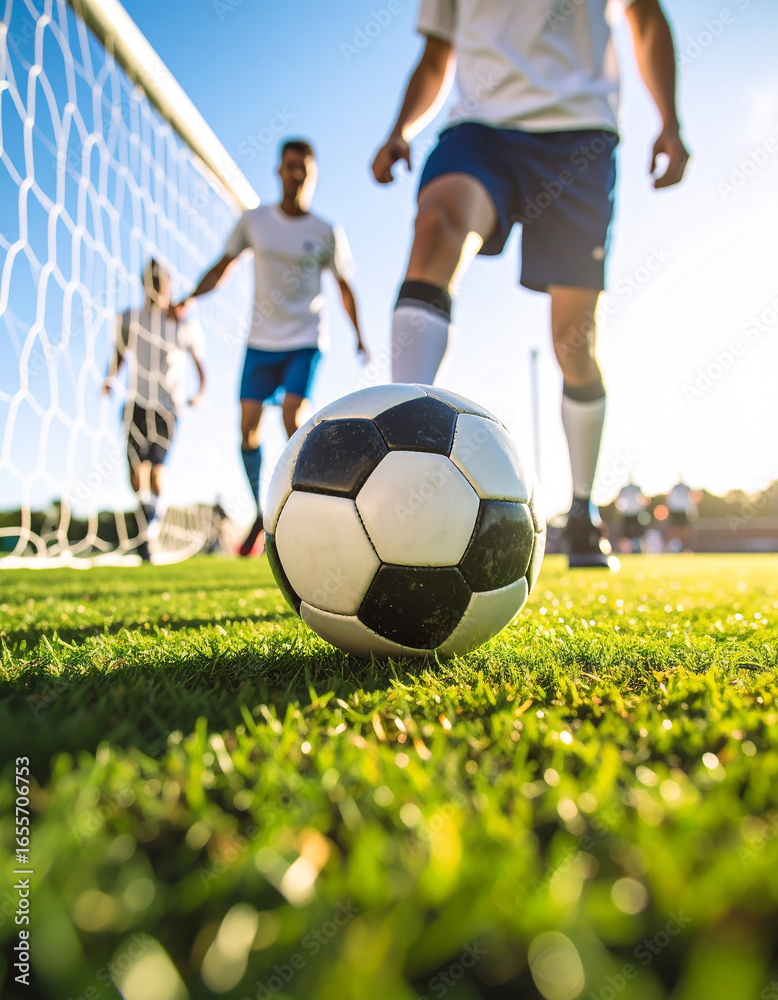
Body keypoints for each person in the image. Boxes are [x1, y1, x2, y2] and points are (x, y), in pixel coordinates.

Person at [371, 0, 689, 568]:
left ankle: (582, 509)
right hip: (479, 130)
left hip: (579, 132)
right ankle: (406, 461)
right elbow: (437, 53)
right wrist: (400, 128)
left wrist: (670, 119)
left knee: (574, 340)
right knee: (437, 224)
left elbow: (645, 19)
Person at [173, 139, 367, 557]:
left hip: (305, 340)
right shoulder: (254, 221)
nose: (296, 174)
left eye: (304, 169)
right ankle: (264, 509)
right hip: (260, 343)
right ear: (279, 170)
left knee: (293, 417)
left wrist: (360, 334)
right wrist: (190, 297)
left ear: (313, 176)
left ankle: (308, 508)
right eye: (290, 166)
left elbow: (345, 286)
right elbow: (223, 266)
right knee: (248, 429)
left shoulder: (326, 232)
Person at [103, 258, 205, 561]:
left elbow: (200, 363)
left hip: (167, 406)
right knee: (136, 472)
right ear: (144, 283)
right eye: (152, 281)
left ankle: (150, 531)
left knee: (157, 471)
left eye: (162, 282)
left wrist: (200, 391)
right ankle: (147, 519)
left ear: (169, 285)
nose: (157, 287)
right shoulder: (130, 318)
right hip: (136, 402)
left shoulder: (182, 323)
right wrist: (110, 378)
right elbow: (119, 353)